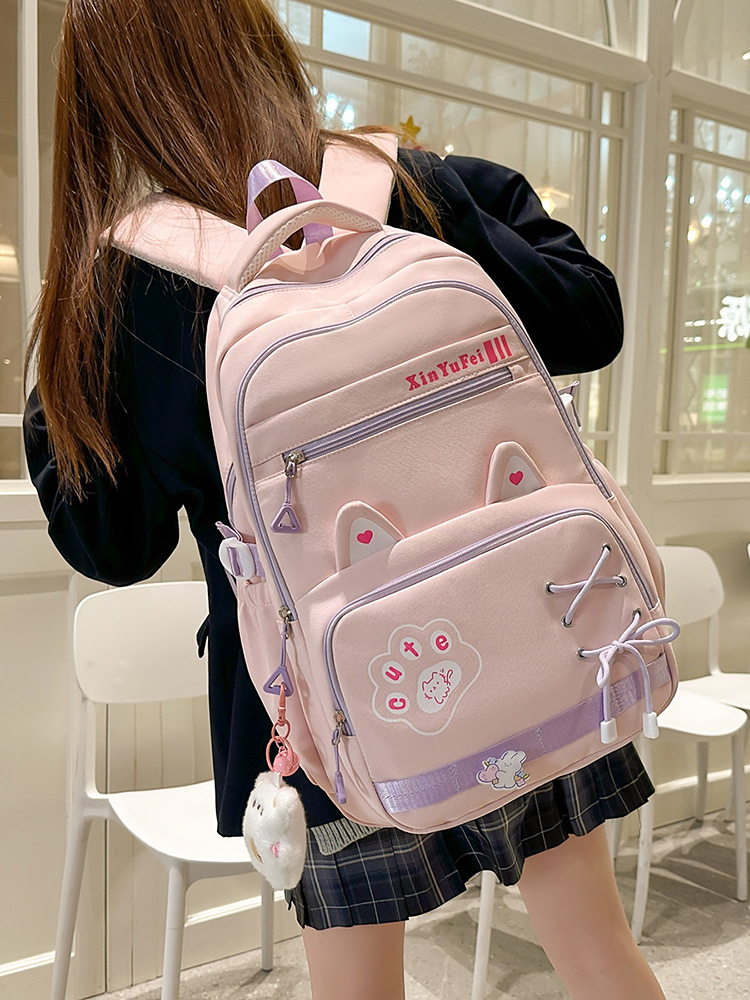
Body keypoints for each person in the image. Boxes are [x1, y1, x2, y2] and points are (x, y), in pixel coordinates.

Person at [24, 2, 666, 998]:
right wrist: (426, 203)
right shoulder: (405, 183)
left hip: (326, 710)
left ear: (108, 105)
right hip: (536, 633)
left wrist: (62, 382)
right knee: (595, 952)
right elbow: (589, 315)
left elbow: (112, 544)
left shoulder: (128, 287)